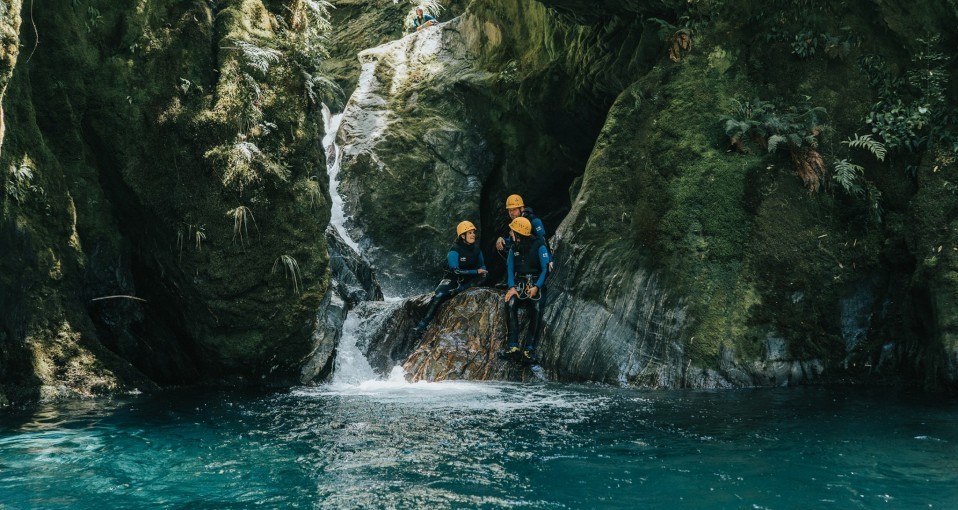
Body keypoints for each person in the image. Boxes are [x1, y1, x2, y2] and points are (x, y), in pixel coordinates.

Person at [414, 220, 488, 333]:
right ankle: (422, 325)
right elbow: (456, 271)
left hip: (467, 281)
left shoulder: (477, 250)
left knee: (484, 276)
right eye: (470, 233)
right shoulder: (455, 250)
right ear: (463, 236)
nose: (473, 235)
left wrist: (480, 272)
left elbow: (482, 267)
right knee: (439, 295)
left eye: (473, 232)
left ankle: (460, 290)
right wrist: (476, 272)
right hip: (453, 279)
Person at [501, 216, 550, 363]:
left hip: (535, 282)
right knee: (510, 303)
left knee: (536, 308)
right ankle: (513, 346)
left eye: (513, 231)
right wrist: (511, 287)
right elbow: (509, 269)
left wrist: (536, 287)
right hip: (520, 283)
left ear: (519, 234)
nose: (510, 233)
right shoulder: (513, 249)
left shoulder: (539, 246)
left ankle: (529, 349)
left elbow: (545, 269)